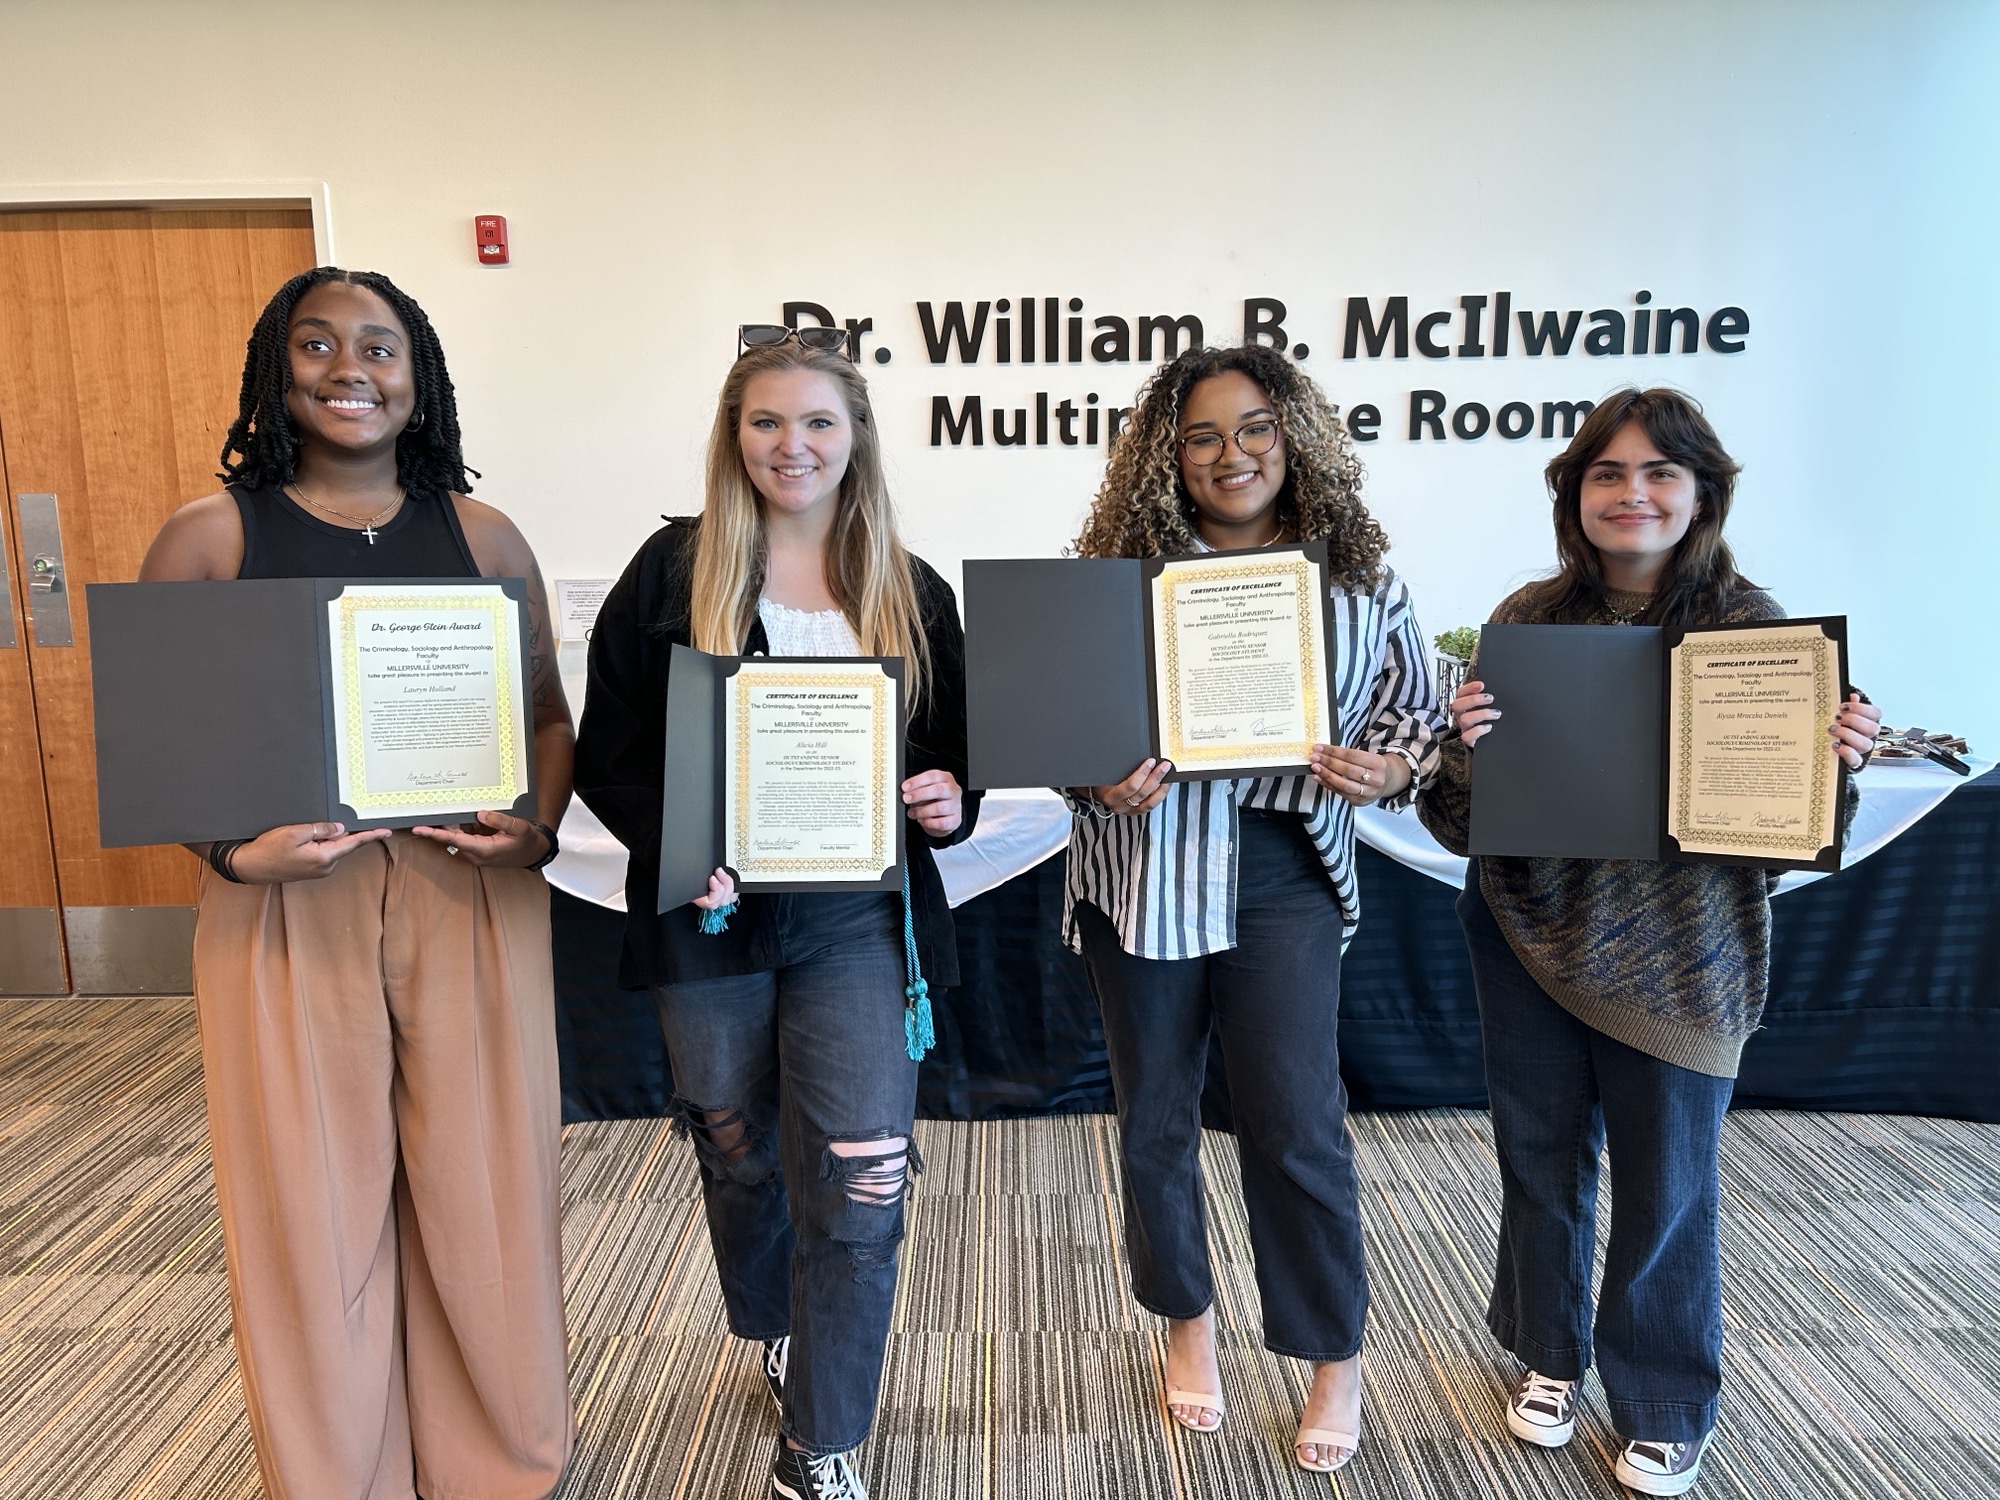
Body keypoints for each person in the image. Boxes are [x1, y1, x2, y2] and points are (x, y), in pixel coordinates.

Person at [137, 268, 576, 1499]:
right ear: (276, 371)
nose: (350, 369)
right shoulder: (210, 536)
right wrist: (233, 849)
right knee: (308, 1207)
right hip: (283, 905)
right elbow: (157, 737)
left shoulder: (482, 535)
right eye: (316, 345)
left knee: (486, 1191)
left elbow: (545, 719)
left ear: (418, 375)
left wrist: (532, 828)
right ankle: (340, 1476)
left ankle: (502, 1466)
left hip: (468, 895)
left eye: (380, 348)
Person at [1417, 387, 1879, 1497]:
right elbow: (1455, 822)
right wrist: (1465, 751)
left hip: (1683, 958)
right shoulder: (1525, 620)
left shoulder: (1758, 636)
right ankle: (1547, 1355)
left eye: (1658, 473)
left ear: (1700, 493)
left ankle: (1667, 1402)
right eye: (1605, 475)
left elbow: (1781, 846)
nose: (1631, 494)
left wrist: (1831, 771)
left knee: (1668, 1183)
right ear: (1572, 496)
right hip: (1527, 939)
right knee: (1537, 1163)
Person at [574, 334, 978, 1500]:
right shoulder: (671, 574)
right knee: (737, 1150)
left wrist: (949, 799)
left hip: (858, 923)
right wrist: (679, 846)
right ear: (731, 433)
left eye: (815, 423)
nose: (789, 447)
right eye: (764, 422)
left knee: (860, 1174)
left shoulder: (908, 587)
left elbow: (953, 762)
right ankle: (778, 1329)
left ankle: (825, 1440)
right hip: (711, 922)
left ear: (855, 438)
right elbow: (610, 752)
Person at [1064, 343, 1444, 1474]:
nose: (1230, 455)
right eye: (1200, 436)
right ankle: (1185, 1321)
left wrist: (1387, 772)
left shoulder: (1359, 577)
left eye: (1253, 430)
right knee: (1156, 1122)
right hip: (1144, 868)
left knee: (1294, 1126)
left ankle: (1333, 1353)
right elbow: (1055, 726)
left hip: (1281, 868)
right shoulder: (1112, 577)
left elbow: (1411, 719)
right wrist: (1091, 775)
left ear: (1293, 438)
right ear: (1162, 458)